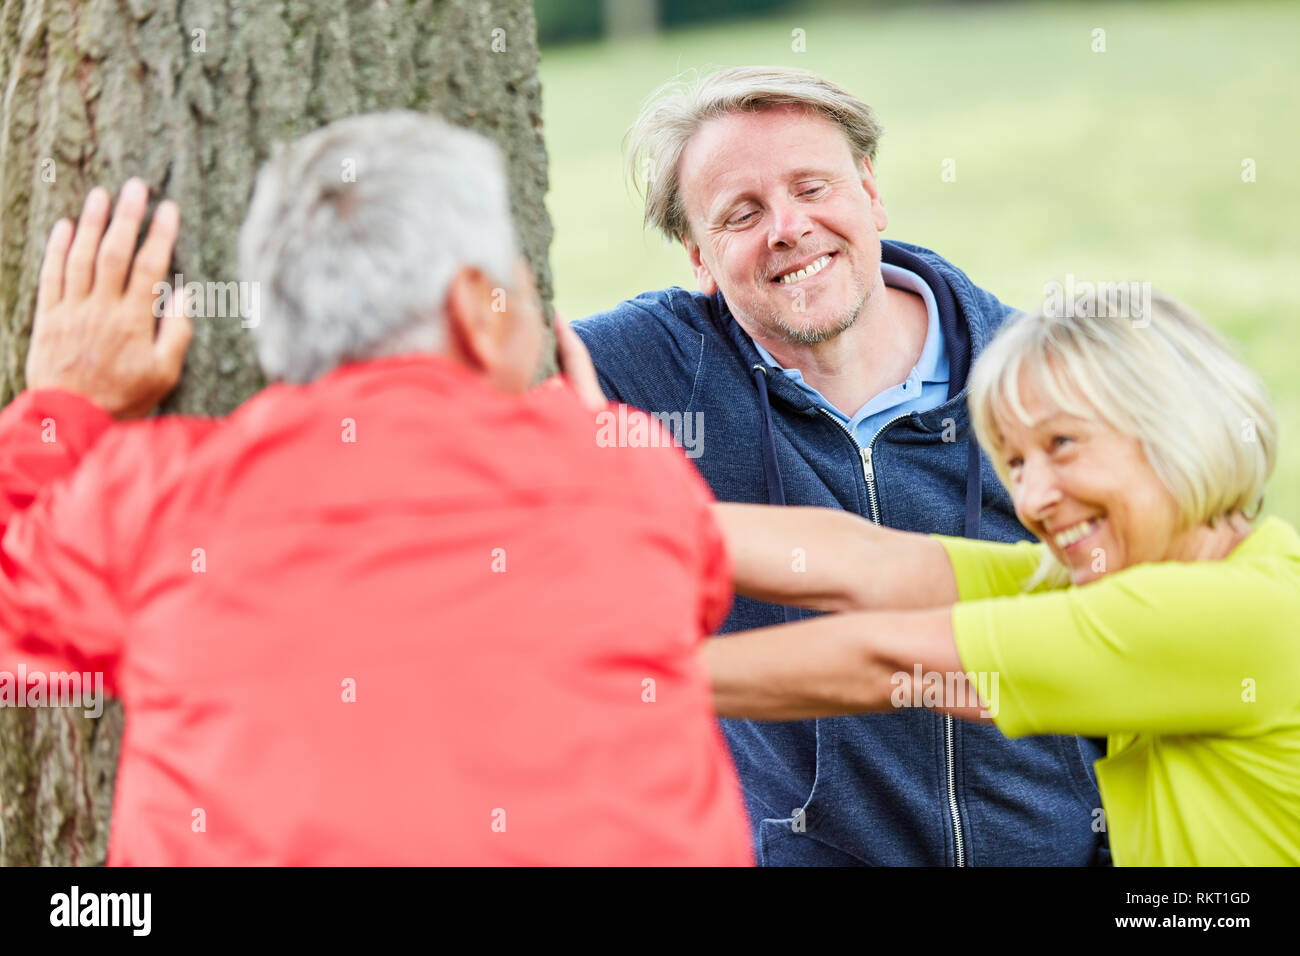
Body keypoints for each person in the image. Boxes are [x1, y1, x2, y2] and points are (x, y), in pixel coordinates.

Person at [0, 111, 751, 865]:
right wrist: (589, 451)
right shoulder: (624, 475)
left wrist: (65, 408)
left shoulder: (155, 498)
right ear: (473, 312)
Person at [574, 65, 1106, 865]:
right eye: (741, 214)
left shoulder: (1039, 378)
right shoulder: (651, 366)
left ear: (871, 193)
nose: (787, 228)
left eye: (812, 188)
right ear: (699, 258)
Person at [704, 291, 1300, 865]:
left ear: (1179, 428)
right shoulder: (1159, 572)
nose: (1032, 500)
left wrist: (632, 683)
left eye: (1062, 444)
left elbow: (882, 663)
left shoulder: (1228, 613)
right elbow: (871, 563)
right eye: (1015, 462)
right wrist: (625, 526)